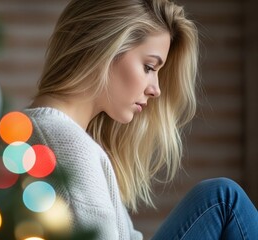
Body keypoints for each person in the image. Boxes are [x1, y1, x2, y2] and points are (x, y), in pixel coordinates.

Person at [23, 0, 258, 239]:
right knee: (223, 200)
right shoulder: (70, 149)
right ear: (103, 49)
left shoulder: (35, 131)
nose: (156, 89)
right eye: (149, 67)